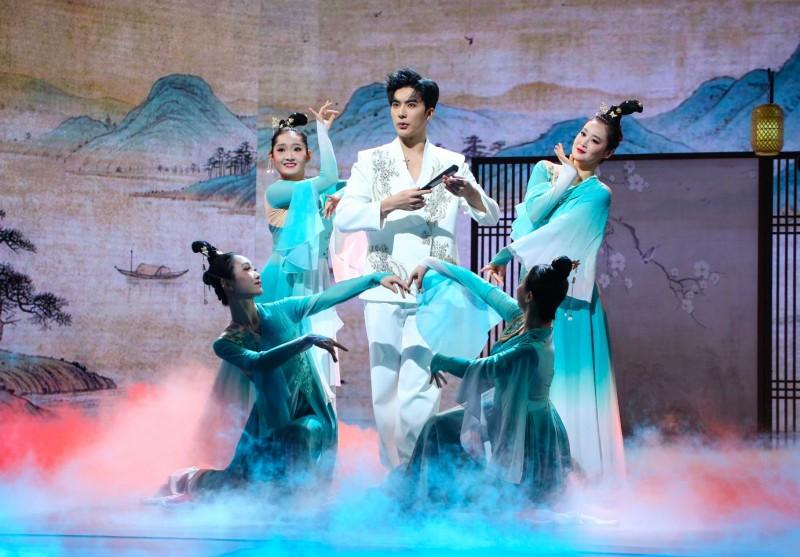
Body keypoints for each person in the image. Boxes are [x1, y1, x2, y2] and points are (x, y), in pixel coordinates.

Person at [334, 68, 500, 468]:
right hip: (385, 287)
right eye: (395, 105)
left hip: (434, 289)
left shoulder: (451, 162)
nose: (401, 113)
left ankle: (414, 474)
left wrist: (469, 192)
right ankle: (395, 475)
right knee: (385, 389)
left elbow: (491, 216)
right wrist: (390, 203)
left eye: (411, 105)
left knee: (422, 386)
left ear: (430, 111)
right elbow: (345, 217)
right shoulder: (371, 161)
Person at [157, 241, 408, 498]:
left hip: (309, 411)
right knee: (234, 484)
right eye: (247, 269)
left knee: (299, 439)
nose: (256, 274)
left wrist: (374, 279)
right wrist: (305, 341)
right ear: (228, 284)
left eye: (254, 268)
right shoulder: (226, 343)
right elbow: (259, 362)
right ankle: (185, 479)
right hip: (268, 421)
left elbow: (327, 297)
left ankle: (297, 507)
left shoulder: (284, 310)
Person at [481, 100, 644, 479]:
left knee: (567, 384)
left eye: (596, 140)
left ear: (608, 152)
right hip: (534, 295)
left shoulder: (599, 194)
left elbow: (559, 235)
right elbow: (534, 216)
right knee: (526, 380)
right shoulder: (545, 170)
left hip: (571, 301)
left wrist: (506, 254)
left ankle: (575, 473)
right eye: (583, 133)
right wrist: (566, 175)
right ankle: (517, 473)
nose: (584, 142)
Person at [399, 256, 574, 505]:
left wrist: (441, 360)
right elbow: (480, 286)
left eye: (522, 282)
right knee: (438, 425)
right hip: (503, 404)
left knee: (516, 503)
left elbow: (484, 368)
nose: (518, 285)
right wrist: (429, 263)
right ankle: (413, 493)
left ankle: (448, 497)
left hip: (525, 422)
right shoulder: (519, 316)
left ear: (529, 296)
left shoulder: (533, 347)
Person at [259, 102, 345, 401]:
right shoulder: (278, 191)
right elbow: (330, 179)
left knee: (319, 365)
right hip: (285, 281)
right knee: (291, 370)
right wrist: (323, 130)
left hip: (316, 280)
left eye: (297, 149)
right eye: (281, 149)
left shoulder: (316, 194)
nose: (289, 155)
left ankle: (317, 428)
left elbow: (350, 187)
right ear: (271, 157)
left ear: (308, 155)